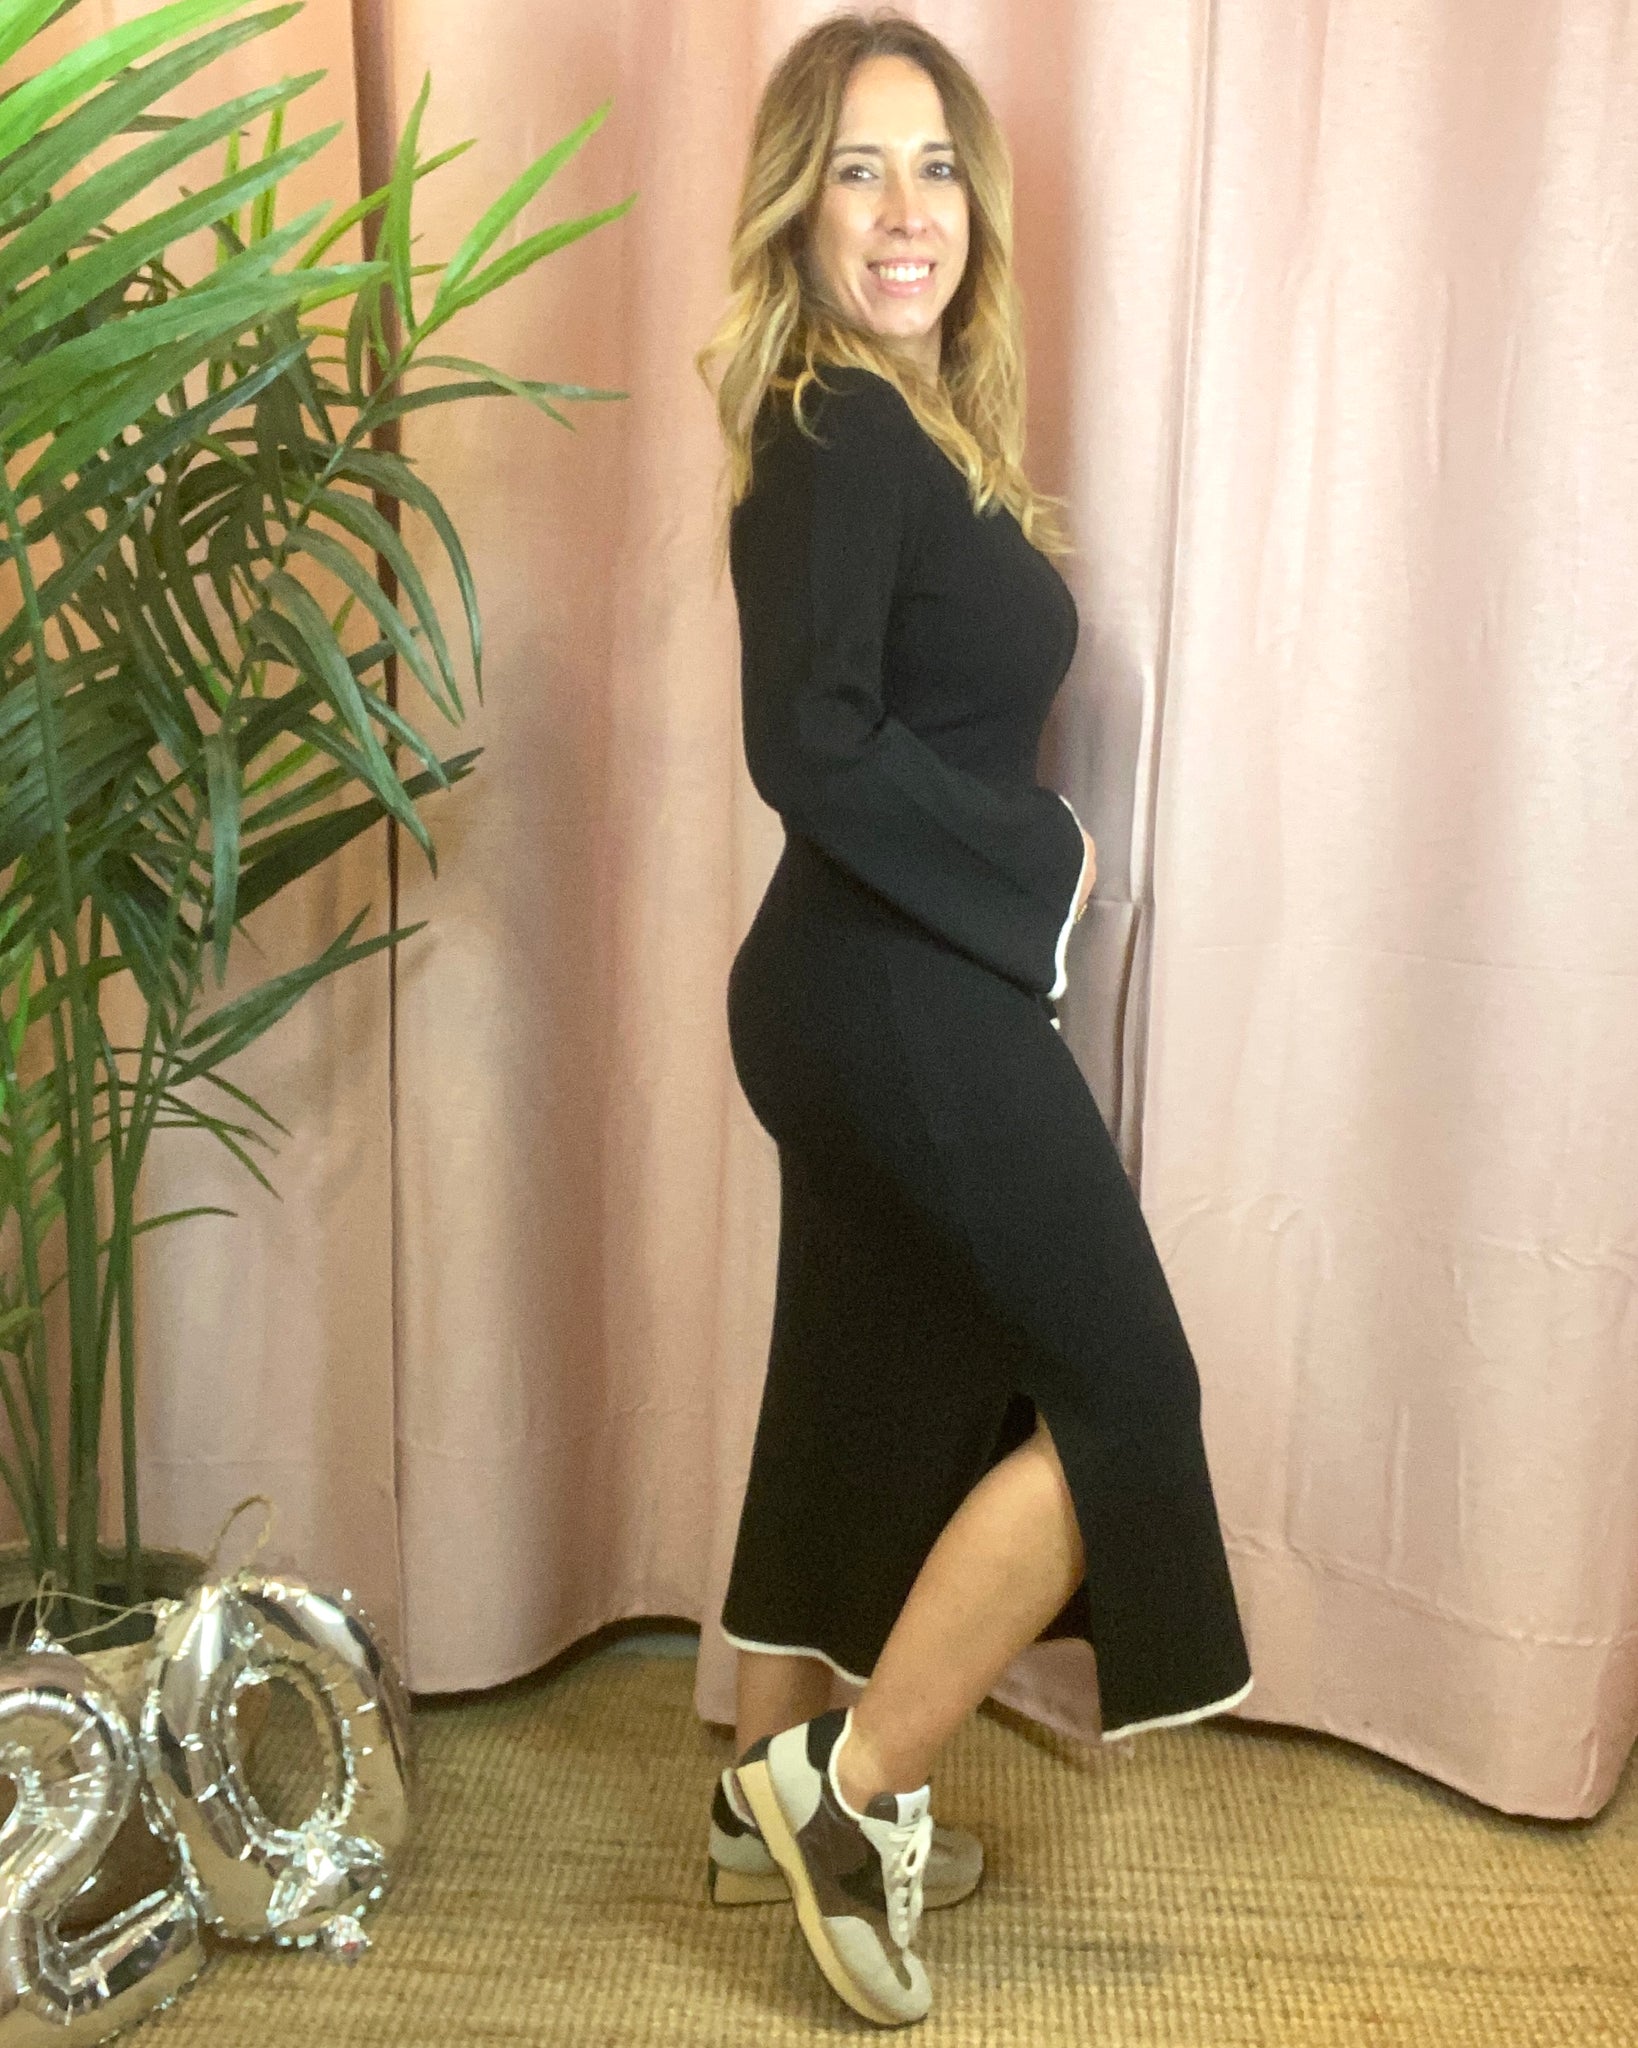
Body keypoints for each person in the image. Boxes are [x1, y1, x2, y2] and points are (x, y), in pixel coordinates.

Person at [692, 9, 1253, 2026]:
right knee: (1126, 1399)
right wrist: (1047, 856)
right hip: (887, 987)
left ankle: (751, 1774)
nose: (902, 209)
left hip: (866, 987)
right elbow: (808, 743)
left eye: (933, 166)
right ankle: (843, 1794)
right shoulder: (836, 424)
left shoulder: (906, 430)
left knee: (858, 1378)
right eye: (856, 169)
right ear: (798, 210)